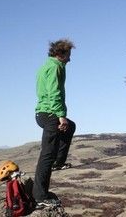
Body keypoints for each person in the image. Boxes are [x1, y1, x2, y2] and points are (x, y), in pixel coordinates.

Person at [33, 39, 76, 207]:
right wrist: (61, 115)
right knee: (47, 154)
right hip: (50, 113)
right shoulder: (55, 67)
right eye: (68, 55)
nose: (70, 59)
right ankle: (40, 196)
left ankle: (59, 162)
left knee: (70, 127)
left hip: (42, 112)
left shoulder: (46, 65)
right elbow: (54, 93)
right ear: (60, 54)